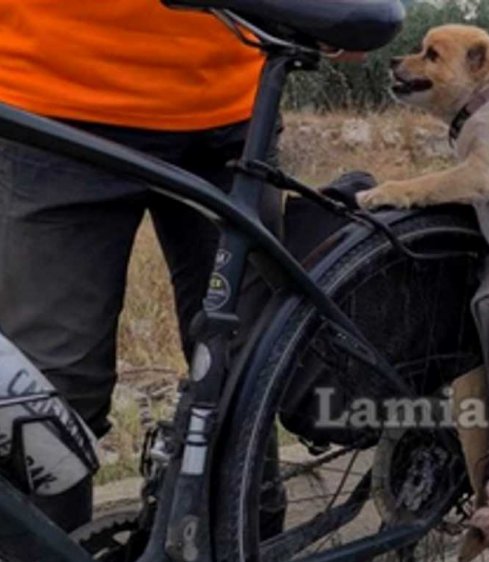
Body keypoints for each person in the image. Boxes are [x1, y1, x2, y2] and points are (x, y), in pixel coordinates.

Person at [0, 2, 281, 532]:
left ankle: (252, 538)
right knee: (47, 406)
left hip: (235, 108)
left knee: (243, 374)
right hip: (52, 100)